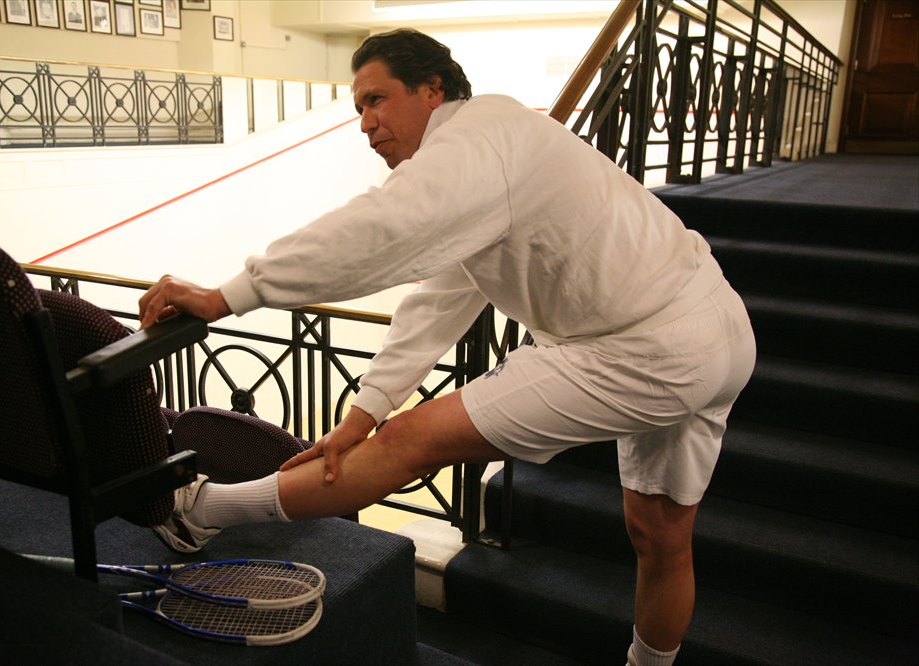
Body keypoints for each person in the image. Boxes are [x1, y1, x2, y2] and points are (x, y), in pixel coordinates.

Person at [139, 29, 756, 666]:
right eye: (357, 109)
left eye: (376, 99)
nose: (365, 123)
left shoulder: (474, 138)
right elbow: (441, 300)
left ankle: (202, 510)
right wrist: (363, 411)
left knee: (416, 440)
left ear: (433, 90)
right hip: (722, 332)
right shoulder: (495, 148)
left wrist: (227, 295)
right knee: (660, 536)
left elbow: (382, 228)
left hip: (645, 348)